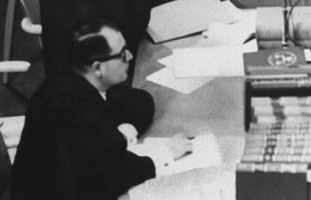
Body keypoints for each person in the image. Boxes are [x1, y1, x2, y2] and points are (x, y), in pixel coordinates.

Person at [11, 18, 192, 200]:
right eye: (122, 54)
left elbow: (139, 102)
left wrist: (122, 134)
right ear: (98, 68)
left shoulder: (69, 80)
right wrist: (167, 154)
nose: (129, 56)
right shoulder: (78, 112)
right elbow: (111, 175)